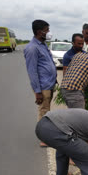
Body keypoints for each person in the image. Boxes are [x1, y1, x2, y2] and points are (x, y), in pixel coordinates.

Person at [24, 19, 57, 147]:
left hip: (48, 84)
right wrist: (37, 91)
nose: (49, 32)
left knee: (47, 110)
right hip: (42, 87)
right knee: (43, 111)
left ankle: (47, 134)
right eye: (47, 30)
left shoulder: (42, 45)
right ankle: (44, 138)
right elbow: (32, 71)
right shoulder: (32, 48)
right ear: (39, 32)